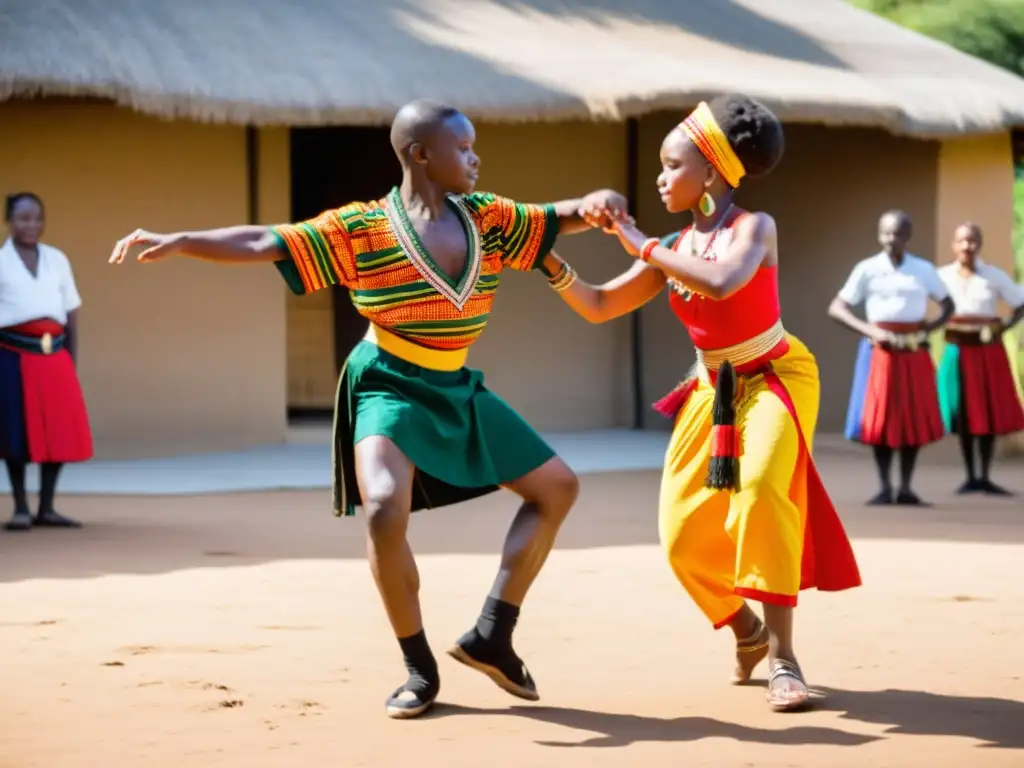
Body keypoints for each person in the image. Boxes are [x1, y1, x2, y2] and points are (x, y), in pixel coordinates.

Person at [108, 99, 627, 720]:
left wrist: (597, 202)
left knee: (558, 488)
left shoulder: (490, 219)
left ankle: (493, 634)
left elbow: (559, 217)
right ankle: (419, 669)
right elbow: (264, 239)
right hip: (386, 382)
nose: (475, 157)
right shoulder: (361, 229)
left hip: (456, 385)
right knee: (384, 508)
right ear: (419, 155)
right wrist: (183, 240)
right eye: (462, 148)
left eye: (473, 146)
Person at [542, 95, 861, 712]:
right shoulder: (673, 244)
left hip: (774, 375)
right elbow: (601, 304)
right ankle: (747, 630)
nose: (660, 178)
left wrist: (639, 243)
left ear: (712, 172)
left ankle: (784, 660)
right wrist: (546, 260)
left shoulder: (754, 228)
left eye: (671, 165)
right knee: (682, 536)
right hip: (712, 389)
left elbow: (719, 282)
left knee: (764, 491)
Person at [829, 211, 954, 506]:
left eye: (897, 233)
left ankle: (907, 487)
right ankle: (885, 486)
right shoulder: (867, 269)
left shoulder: (922, 269)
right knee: (881, 419)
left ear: (908, 235)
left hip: (913, 349)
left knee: (911, 417)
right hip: (879, 351)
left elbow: (948, 305)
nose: (890, 239)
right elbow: (837, 307)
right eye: (885, 233)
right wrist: (868, 329)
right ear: (878, 234)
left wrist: (928, 329)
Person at [0, 193, 92, 531]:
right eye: (23, 218)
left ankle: (48, 507)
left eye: (37, 217)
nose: (31, 225)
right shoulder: (1, 262)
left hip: (54, 355)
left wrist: (72, 358)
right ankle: (21, 507)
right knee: (16, 433)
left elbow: (71, 309)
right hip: (12, 355)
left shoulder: (57, 260)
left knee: (58, 432)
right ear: (9, 221)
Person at [936, 222, 1024, 495]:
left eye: (972, 241)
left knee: (987, 412)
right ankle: (969, 475)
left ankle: (984, 476)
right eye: (962, 241)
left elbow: (1019, 302)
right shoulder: (941, 276)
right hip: (958, 350)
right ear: (954, 245)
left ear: (979, 244)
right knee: (962, 412)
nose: (967, 246)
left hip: (988, 351)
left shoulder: (994, 276)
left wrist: (1006, 326)